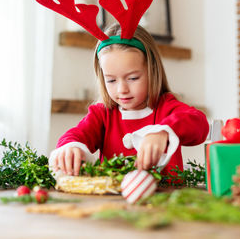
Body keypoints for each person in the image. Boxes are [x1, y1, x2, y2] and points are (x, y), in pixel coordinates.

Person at [49, 23, 209, 176]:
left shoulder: (166, 107)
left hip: (165, 202)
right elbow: (74, 136)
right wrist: (70, 148)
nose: (122, 90)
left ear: (152, 70)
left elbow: (199, 123)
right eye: (111, 80)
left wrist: (163, 132)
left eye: (132, 78)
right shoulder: (102, 114)